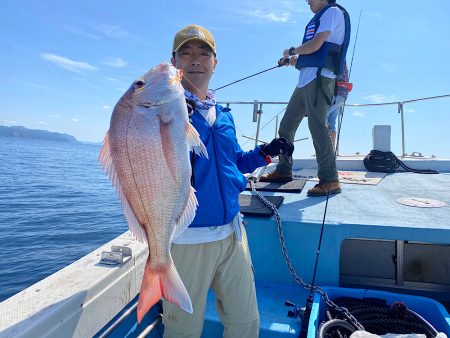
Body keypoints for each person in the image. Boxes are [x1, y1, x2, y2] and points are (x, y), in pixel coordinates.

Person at [162, 24, 294, 338]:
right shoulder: (164, 111)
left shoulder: (223, 114)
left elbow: (232, 163)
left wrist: (265, 152)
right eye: (186, 52)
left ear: (215, 62)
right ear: (173, 62)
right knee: (183, 330)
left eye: (203, 52)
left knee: (246, 323)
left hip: (232, 235)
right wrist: (175, 110)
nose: (195, 59)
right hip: (187, 241)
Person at [260, 0, 350, 197]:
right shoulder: (319, 17)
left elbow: (316, 44)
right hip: (305, 81)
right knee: (286, 126)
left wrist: (291, 50)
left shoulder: (332, 12)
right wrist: (291, 61)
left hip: (320, 79)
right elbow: (313, 53)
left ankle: (330, 179)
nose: (307, 1)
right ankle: (284, 170)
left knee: (317, 125)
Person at [327, 62, 352, 149]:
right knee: (332, 122)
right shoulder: (343, 62)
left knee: (323, 117)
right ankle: (332, 150)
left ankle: (326, 150)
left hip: (336, 95)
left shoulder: (337, 62)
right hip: (343, 97)